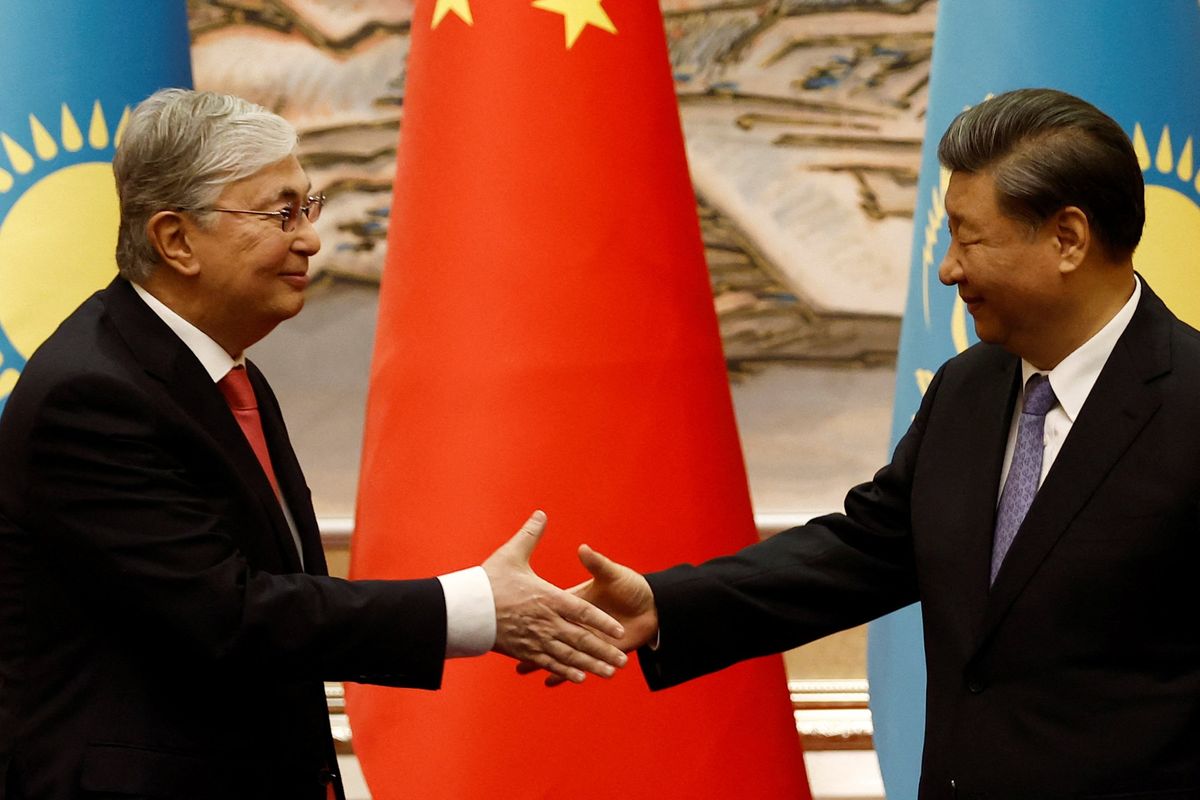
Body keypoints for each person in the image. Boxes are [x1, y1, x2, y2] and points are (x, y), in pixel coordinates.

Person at [547, 88, 1200, 798]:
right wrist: (662, 604)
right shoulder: (967, 390)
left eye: (968, 237)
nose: (948, 269)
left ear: (1067, 239)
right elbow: (861, 551)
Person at [0, 88, 627, 800]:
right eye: (280, 214)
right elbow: (229, 616)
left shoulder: (227, 373)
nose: (310, 239)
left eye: (309, 207)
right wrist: (477, 607)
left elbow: (287, 592)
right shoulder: (90, 396)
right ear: (175, 240)